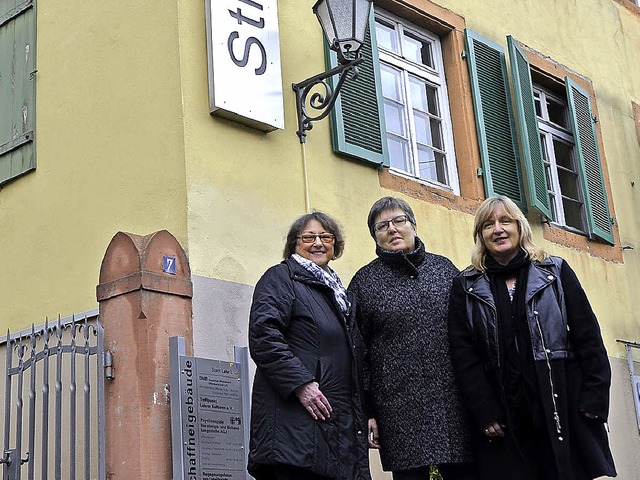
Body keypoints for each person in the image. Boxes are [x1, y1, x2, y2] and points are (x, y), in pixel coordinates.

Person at [447, 195, 617, 480]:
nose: (498, 229)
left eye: (505, 221)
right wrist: (484, 411)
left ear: (520, 227)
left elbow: (588, 336)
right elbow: (464, 355)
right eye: (488, 225)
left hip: (560, 400)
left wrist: (594, 397)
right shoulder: (466, 286)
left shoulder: (554, 272)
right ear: (480, 235)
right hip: (504, 411)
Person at [349, 197, 476, 480]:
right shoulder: (364, 282)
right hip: (398, 410)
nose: (392, 229)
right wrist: (368, 411)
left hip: (453, 405)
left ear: (414, 226)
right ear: (375, 236)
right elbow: (358, 355)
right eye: (382, 226)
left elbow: (469, 334)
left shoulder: (444, 270)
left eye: (399, 221)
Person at [247, 211, 371, 480]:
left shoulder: (340, 295)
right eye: (309, 237)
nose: (318, 243)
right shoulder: (281, 278)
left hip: (334, 430)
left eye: (326, 237)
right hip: (295, 429)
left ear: (335, 245)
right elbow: (264, 335)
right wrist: (301, 384)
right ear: (294, 243)